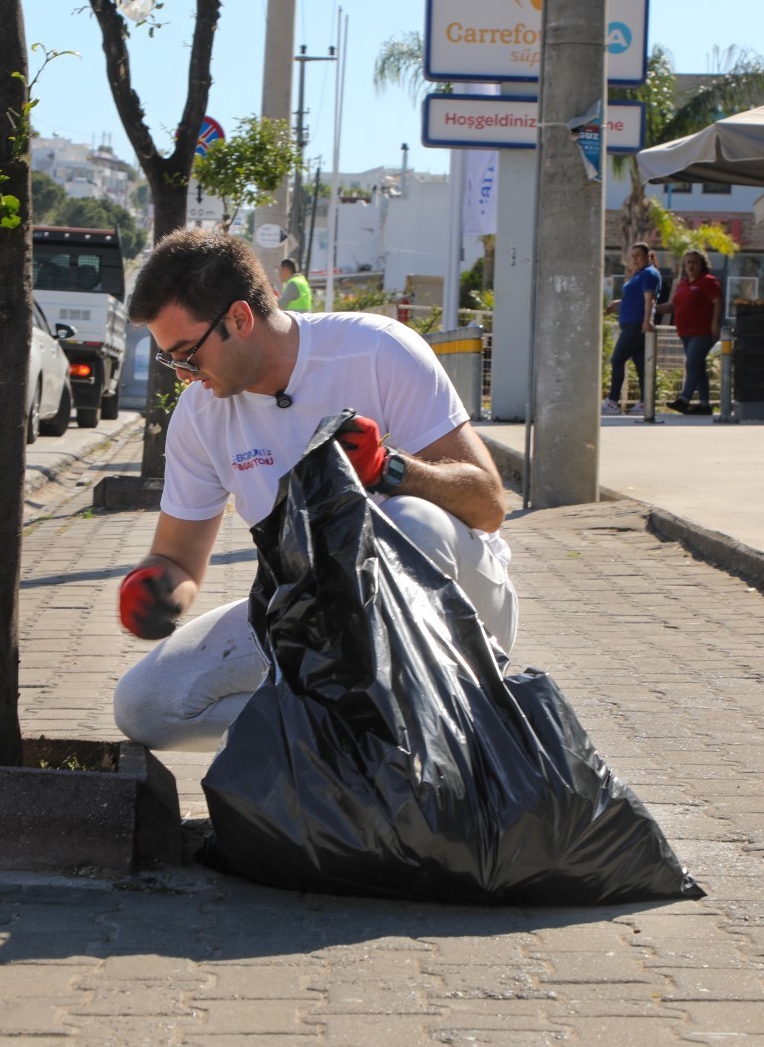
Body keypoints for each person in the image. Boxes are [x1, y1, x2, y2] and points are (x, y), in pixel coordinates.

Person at [114, 229, 519, 752]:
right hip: (316, 620)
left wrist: (390, 471)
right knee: (147, 705)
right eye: (172, 361)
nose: (185, 376)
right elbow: (178, 558)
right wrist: (156, 585)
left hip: (458, 612)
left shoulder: (375, 350)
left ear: (239, 318)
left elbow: (489, 505)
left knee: (407, 522)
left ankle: (406, 719)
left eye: (187, 354)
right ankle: (343, 735)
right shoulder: (200, 416)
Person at [661, 250, 723, 415]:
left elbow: (718, 302)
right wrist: (651, 309)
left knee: (692, 364)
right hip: (685, 332)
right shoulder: (683, 284)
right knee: (698, 367)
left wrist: (715, 323)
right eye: (688, 262)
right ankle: (704, 405)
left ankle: (684, 399)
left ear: (702, 265)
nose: (691, 265)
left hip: (703, 332)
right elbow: (673, 306)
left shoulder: (709, 282)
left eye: (695, 262)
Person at [603, 243, 661, 415]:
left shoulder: (650, 273)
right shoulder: (640, 274)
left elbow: (649, 299)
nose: (635, 259)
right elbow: (634, 298)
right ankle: (645, 403)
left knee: (617, 360)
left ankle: (612, 401)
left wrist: (647, 320)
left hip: (637, 324)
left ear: (648, 255)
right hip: (631, 323)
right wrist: (617, 304)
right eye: (632, 256)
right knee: (641, 365)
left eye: (638, 255)